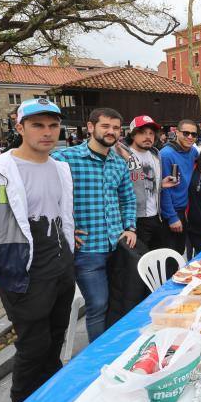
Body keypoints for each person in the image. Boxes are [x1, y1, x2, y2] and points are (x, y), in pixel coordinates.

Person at [0, 98, 76, 402]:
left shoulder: (60, 168)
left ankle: (51, 397)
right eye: (38, 125)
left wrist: (69, 243)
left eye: (53, 125)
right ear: (20, 127)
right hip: (23, 272)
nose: (47, 132)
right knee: (33, 344)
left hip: (60, 266)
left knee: (56, 335)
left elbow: (62, 213)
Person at [52, 108, 136, 343]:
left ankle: (116, 347)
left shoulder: (118, 163)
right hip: (88, 249)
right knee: (98, 304)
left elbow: (128, 198)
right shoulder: (65, 159)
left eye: (116, 128)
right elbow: (45, 200)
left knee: (120, 301)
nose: (111, 132)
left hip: (117, 245)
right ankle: (98, 358)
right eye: (105, 126)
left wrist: (130, 227)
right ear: (90, 127)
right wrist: (63, 231)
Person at [114, 115, 178, 251]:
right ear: (132, 134)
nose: (148, 136)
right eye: (142, 133)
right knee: (138, 264)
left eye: (151, 133)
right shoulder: (121, 155)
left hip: (156, 217)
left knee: (157, 261)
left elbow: (144, 182)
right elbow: (131, 180)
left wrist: (160, 184)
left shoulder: (156, 155)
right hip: (135, 219)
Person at [160, 119, 200, 255]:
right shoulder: (166, 155)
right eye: (186, 133)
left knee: (180, 250)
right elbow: (164, 189)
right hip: (173, 211)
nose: (190, 137)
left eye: (193, 134)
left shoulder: (193, 151)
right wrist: (172, 217)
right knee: (171, 254)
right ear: (177, 132)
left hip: (186, 209)